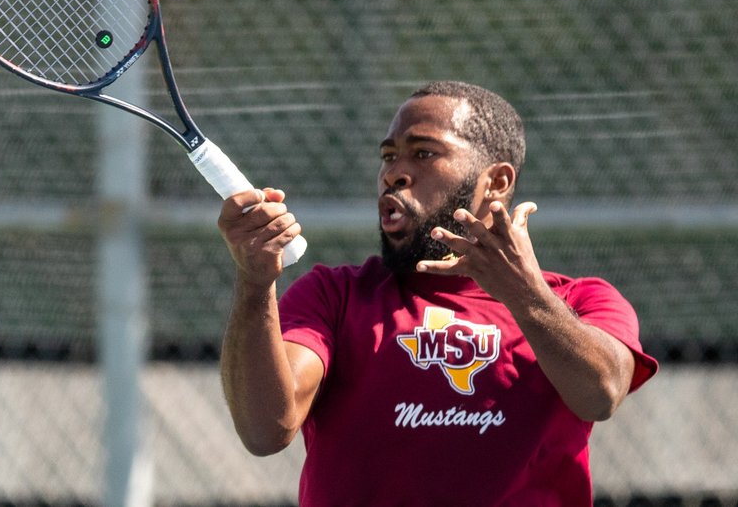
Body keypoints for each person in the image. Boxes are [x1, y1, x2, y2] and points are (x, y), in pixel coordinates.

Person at [217, 80, 658, 506]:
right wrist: (255, 283)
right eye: (388, 156)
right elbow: (265, 430)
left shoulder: (582, 301)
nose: (393, 174)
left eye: (422, 153)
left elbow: (599, 393)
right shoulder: (334, 297)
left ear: (497, 182)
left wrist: (524, 295)